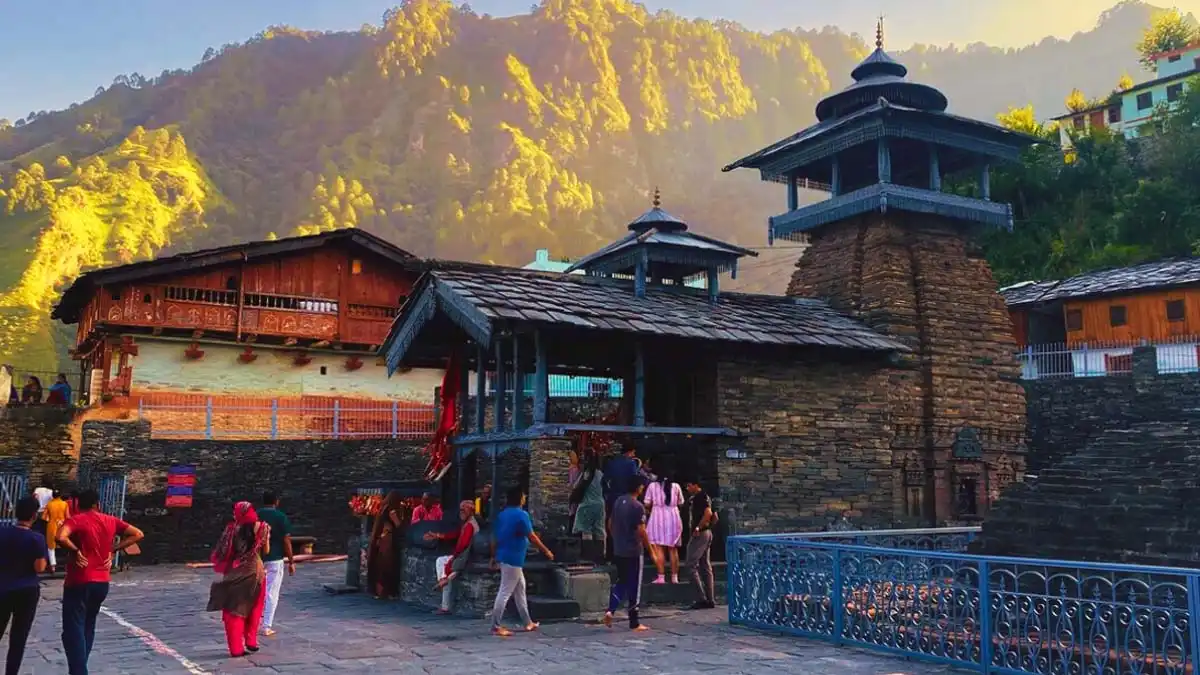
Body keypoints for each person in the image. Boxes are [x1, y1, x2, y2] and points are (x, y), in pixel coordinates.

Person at [57, 488, 144, 675]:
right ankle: (81, 667)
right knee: (88, 625)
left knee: (72, 629)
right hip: (102, 581)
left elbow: (60, 536)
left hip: (79, 580)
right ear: (98, 504)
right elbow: (137, 534)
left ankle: (79, 671)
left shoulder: (76, 520)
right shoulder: (111, 520)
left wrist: (75, 550)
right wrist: (113, 549)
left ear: (78, 505)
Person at [206, 501, 270, 658]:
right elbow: (266, 550)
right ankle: (251, 641)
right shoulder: (263, 527)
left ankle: (236, 648)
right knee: (255, 607)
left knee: (233, 610)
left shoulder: (231, 530)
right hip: (255, 571)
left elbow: (221, 552)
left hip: (234, 572)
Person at [489, 487, 554, 637]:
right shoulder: (521, 515)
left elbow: (494, 537)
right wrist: (546, 550)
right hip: (513, 558)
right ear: (519, 499)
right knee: (505, 592)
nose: (525, 498)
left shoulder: (502, 515)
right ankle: (495, 625)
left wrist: (493, 556)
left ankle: (527, 622)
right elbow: (531, 536)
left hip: (505, 555)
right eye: (523, 496)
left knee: (520, 589)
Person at [0, 497, 48, 675]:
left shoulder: (2, 532)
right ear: (34, 516)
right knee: (18, 637)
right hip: (26, 590)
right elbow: (39, 567)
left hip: (2, 588)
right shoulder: (36, 538)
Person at [605, 478, 651, 632]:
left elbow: (610, 523)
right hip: (633, 550)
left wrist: (616, 538)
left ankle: (610, 610)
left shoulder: (618, 501)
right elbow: (641, 531)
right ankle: (634, 621)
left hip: (619, 549)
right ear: (638, 488)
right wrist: (650, 550)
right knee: (634, 586)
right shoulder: (637, 506)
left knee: (621, 581)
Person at [424, 500, 479, 615]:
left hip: (463, 557)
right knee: (442, 565)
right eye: (461, 508)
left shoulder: (470, 525)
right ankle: (443, 580)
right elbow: (454, 535)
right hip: (462, 555)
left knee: (443, 563)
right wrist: (437, 535)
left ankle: (443, 584)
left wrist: (453, 558)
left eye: (465, 508)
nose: (462, 511)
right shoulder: (466, 524)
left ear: (471, 510)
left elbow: (463, 545)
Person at [257, 492, 294, 637]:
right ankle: (266, 625)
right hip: (275, 558)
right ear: (276, 502)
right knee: (272, 592)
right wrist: (291, 561)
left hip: (257, 558)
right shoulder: (281, 517)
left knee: (256, 592)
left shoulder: (255, 515)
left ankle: (254, 622)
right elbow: (286, 540)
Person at [644, 467, 683, 584]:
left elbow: (646, 503)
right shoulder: (676, 486)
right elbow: (681, 502)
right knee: (673, 548)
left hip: (657, 517)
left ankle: (661, 577)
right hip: (673, 516)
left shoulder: (652, 486)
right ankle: (674, 577)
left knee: (659, 548)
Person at [367, 491, 408, 600]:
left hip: (382, 541)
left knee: (380, 567)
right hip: (387, 542)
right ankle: (385, 592)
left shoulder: (382, 509)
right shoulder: (392, 511)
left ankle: (379, 592)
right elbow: (398, 526)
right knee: (386, 567)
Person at [684, 477, 717, 610]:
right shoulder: (706, 497)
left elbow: (708, 513)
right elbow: (715, 515)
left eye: (689, 485)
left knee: (690, 565)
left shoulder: (700, 497)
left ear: (695, 485)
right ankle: (710, 598)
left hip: (701, 533)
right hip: (707, 532)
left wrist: (699, 527)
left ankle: (701, 598)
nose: (687, 488)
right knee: (705, 565)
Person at [570, 454, 605, 563]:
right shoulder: (601, 474)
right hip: (600, 505)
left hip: (586, 505)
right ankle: (599, 558)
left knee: (586, 531)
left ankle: (588, 557)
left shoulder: (586, 474)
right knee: (599, 530)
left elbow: (575, 487)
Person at [44, 489, 71, 571]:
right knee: (65, 544)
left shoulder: (49, 504)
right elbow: (68, 516)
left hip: (52, 526)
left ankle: (52, 566)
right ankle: (67, 564)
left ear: (52, 496)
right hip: (62, 525)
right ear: (60, 496)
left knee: (51, 546)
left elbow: (44, 517)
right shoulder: (64, 504)